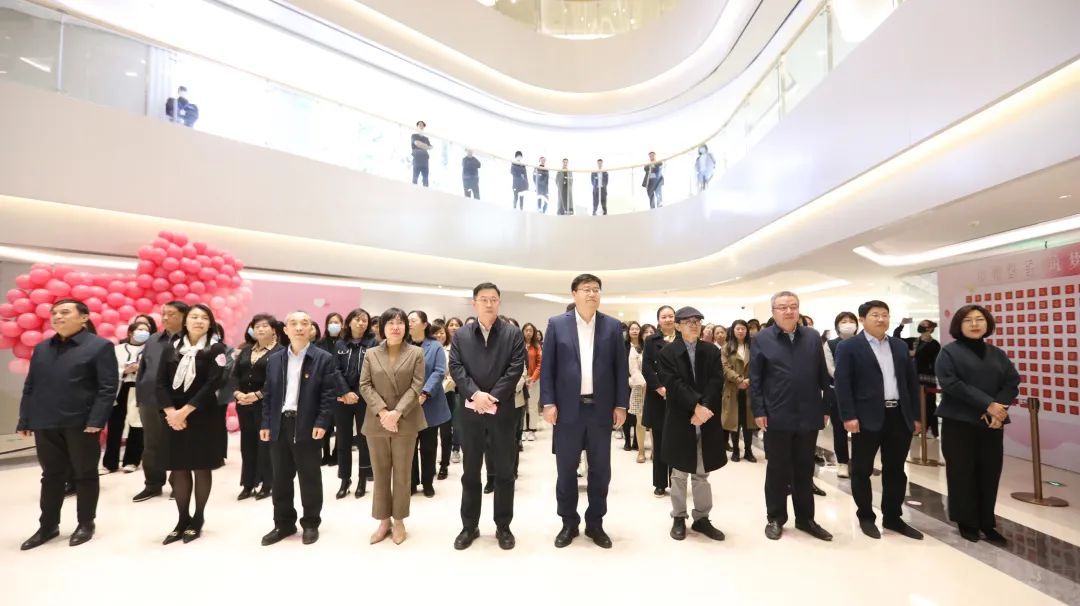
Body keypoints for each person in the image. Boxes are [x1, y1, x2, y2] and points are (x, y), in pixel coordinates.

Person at [17, 300, 117, 550]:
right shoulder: (42, 348)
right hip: (45, 421)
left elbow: (107, 387)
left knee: (85, 474)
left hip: (81, 423)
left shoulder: (99, 346)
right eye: (54, 313)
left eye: (65, 312)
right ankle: (48, 526)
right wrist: (25, 418)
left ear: (84, 317)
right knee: (51, 476)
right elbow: (31, 385)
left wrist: (96, 420)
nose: (57, 317)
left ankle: (85, 523)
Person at [540, 274, 629, 549]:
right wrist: (548, 402)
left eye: (596, 289)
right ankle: (568, 522)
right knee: (566, 470)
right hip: (568, 410)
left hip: (600, 410)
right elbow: (548, 367)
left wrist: (621, 404)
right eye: (586, 289)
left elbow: (620, 368)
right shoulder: (557, 324)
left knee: (601, 471)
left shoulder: (612, 326)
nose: (592, 294)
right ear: (574, 294)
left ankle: (595, 523)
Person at [834, 301, 924, 540]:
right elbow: (843, 383)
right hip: (866, 417)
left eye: (885, 315)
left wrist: (915, 416)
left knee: (896, 470)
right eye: (875, 315)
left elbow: (911, 383)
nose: (881, 319)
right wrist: (848, 416)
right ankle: (866, 516)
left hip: (898, 415)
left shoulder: (899, 346)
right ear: (862, 319)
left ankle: (893, 517)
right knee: (861, 469)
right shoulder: (849, 347)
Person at [448, 284, 526, 550]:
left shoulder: (512, 333)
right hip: (470, 413)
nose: (489, 304)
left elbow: (516, 367)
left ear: (499, 302)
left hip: (502, 412)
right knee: (470, 472)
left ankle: (503, 526)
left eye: (493, 299)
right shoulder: (461, 334)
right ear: (474, 303)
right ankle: (469, 526)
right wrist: (475, 395)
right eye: (484, 299)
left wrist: (492, 397)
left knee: (504, 472)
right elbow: (456, 367)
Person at [750, 291, 833, 542]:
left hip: (808, 412)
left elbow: (823, 374)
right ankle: (775, 518)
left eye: (793, 306)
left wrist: (826, 407)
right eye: (782, 307)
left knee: (804, 469)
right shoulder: (762, 338)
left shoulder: (812, 336)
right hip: (777, 413)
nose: (788, 311)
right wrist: (759, 410)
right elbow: (756, 378)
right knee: (777, 469)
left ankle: (806, 519)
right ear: (773, 312)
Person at [935, 304, 1019, 544]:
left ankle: (986, 522)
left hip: (993, 422)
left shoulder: (997, 353)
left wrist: (998, 408)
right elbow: (951, 384)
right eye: (968, 320)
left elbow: (1012, 381)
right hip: (959, 421)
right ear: (958, 325)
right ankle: (967, 522)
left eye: (979, 319)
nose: (974, 324)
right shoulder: (949, 353)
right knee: (962, 472)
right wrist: (987, 404)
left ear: (987, 323)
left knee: (990, 472)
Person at [258, 311, 339, 546]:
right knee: (280, 478)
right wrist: (266, 422)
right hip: (279, 423)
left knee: (309, 476)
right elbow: (269, 394)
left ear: (311, 329)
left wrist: (322, 422)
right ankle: (283, 523)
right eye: (293, 323)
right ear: (285, 330)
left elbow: (328, 394)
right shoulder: (275, 359)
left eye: (305, 323)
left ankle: (311, 523)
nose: (299, 327)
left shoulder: (323, 358)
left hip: (307, 425)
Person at [156, 303, 227, 544]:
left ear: (210, 323)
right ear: (185, 321)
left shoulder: (216, 349)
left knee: (201, 466)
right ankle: (182, 519)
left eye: (204, 318)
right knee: (179, 467)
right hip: (173, 416)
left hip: (202, 414)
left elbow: (213, 383)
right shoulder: (171, 347)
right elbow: (159, 382)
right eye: (194, 317)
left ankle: (198, 518)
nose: (199, 321)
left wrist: (185, 412)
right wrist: (171, 412)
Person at [657, 307, 727, 541]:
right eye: (688, 321)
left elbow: (716, 381)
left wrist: (704, 409)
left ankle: (702, 518)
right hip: (681, 416)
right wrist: (696, 406)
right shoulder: (667, 352)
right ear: (677, 326)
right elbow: (673, 383)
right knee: (679, 472)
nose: (694, 324)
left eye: (697, 321)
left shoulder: (711, 350)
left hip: (706, 417)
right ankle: (679, 516)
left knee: (702, 471)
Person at [359, 308, 425, 545]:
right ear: (382, 327)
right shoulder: (371, 353)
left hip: (405, 419)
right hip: (377, 420)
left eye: (400, 323)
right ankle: (383, 520)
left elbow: (417, 385)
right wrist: (383, 412)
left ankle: (399, 520)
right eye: (390, 323)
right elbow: (364, 385)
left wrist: (397, 413)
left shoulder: (416, 353)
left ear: (406, 327)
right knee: (380, 473)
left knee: (403, 474)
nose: (395, 327)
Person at [133, 300, 189, 502]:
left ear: (184, 317)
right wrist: (140, 396)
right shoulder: (153, 340)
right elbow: (143, 370)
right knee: (151, 444)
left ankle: (178, 484)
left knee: (177, 443)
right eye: (164, 313)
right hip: (149, 399)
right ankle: (153, 484)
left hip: (176, 402)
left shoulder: (191, 341)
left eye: (171, 314)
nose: (165, 318)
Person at [232, 314, 283, 500]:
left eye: (264, 326)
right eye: (256, 326)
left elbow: (278, 380)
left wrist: (257, 395)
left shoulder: (280, 352)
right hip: (243, 403)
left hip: (266, 404)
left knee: (265, 444)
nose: (260, 329)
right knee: (247, 444)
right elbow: (235, 375)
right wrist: (238, 394)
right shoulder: (246, 350)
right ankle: (248, 483)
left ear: (273, 330)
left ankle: (267, 483)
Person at [334, 308, 378, 498]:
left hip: (364, 398)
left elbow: (373, 371)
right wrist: (345, 392)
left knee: (364, 440)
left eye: (364, 320)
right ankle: (345, 479)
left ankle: (362, 479)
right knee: (343, 440)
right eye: (357, 319)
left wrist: (358, 393)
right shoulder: (340, 344)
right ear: (349, 322)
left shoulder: (373, 344)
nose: (361, 323)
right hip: (342, 398)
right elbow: (335, 370)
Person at [408, 311, 451, 498]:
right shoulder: (403, 345)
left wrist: (425, 392)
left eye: (413, 320)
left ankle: (427, 482)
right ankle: (411, 482)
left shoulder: (435, 346)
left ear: (424, 324)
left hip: (429, 403)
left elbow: (439, 371)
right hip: (407, 404)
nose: (409, 323)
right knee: (409, 447)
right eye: (408, 320)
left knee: (428, 446)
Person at [102, 317, 151, 473]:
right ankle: (110, 463)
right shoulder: (117, 349)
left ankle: (132, 461)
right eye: (140, 330)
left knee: (137, 425)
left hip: (139, 389)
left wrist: (140, 369)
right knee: (115, 425)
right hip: (120, 388)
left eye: (147, 331)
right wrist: (124, 370)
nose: (144, 333)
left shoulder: (151, 350)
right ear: (130, 332)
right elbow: (108, 369)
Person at [642, 305, 677, 496]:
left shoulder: (682, 338)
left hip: (678, 396)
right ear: (658, 320)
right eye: (664, 317)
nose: (668, 319)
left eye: (671, 316)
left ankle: (677, 481)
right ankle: (660, 483)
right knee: (660, 440)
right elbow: (647, 367)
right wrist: (659, 388)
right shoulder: (651, 340)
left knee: (677, 441)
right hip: (657, 396)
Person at [824, 311, 859, 477]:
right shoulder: (831, 344)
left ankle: (858, 462)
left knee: (861, 429)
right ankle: (843, 462)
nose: (848, 324)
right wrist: (846, 379)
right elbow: (830, 368)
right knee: (839, 429)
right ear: (837, 325)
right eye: (844, 321)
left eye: (851, 321)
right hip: (837, 391)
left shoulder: (862, 342)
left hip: (860, 392)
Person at [894, 318, 942, 437]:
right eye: (920, 323)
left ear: (930, 328)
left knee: (929, 404)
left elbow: (935, 361)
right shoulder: (914, 341)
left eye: (924, 324)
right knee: (914, 404)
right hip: (913, 377)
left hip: (927, 379)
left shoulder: (934, 344)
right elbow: (896, 338)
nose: (921, 325)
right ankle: (916, 428)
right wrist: (901, 325)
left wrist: (914, 353)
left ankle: (930, 429)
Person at [721, 320, 756, 463]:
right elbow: (724, 367)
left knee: (748, 423)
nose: (740, 331)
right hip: (733, 389)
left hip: (750, 389)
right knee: (734, 422)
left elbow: (758, 365)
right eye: (738, 329)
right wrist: (739, 380)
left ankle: (748, 450)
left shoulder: (753, 346)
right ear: (733, 331)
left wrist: (749, 381)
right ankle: (735, 450)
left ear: (747, 331)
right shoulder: (726, 347)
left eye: (743, 329)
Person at [445, 317, 465, 465]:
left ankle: (456, 449)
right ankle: (445, 450)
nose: (453, 327)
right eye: (451, 325)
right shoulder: (442, 346)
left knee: (457, 421)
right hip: (444, 389)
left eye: (456, 325)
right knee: (445, 423)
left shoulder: (465, 345)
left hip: (459, 389)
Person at [624, 321, 644, 457]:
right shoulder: (624, 346)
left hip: (642, 384)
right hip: (626, 382)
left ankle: (637, 441)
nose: (635, 331)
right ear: (629, 332)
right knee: (627, 412)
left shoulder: (644, 345)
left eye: (637, 329)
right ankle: (627, 440)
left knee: (639, 415)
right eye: (632, 329)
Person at [522, 322, 542, 441]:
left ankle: (532, 430)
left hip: (534, 380)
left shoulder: (537, 346)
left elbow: (540, 364)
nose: (528, 332)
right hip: (521, 380)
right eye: (526, 330)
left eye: (531, 330)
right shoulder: (519, 345)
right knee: (522, 406)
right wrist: (523, 378)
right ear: (523, 331)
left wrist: (533, 378)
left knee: (533, 406)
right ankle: (524, 429)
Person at [411, 120, 432, 187]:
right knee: (415, 178)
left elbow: (430, 147)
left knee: (425, 179)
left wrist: (422, 145)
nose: (421, 126)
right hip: (417, 159)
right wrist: (425, 146)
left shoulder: (426, 138)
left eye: (422, 125)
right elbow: (417, 143)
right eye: (419, 124)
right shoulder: (414, 136)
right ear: (417, 126)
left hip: (425, 160)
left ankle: (426, 191)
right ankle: (413, 191)